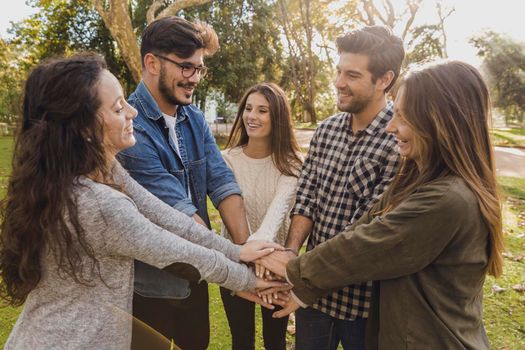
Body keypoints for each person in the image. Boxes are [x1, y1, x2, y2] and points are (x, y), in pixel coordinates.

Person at [0, 54, 285, 349]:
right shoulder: (98, 203)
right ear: (84, 127)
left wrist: (236, 252)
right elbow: (174, 250)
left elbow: (168, 218)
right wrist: (247, 281)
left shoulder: (92, 172)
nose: (132, 112)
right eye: (117, 107)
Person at [258, 61, 504, 350]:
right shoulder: (416, 178)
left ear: (438, 122)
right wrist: (298, 277)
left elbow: (365, 245)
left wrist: (291, 270)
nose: (391, 126)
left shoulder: (447, 199)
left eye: (403, 116)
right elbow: (368, 224)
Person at [116, 17, 254, 349]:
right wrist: (239, 267)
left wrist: (249, 252)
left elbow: (221, 182)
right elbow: (177, 211)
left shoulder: (193, 118)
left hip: (196, 276)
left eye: (199, 69)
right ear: (152, 63)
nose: (194, 79)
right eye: (186, 68)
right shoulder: (130, 128)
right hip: (150, 286)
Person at [278, 26, 404, 349]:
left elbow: (369, 234)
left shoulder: (398, 143)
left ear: (384, 79)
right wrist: (291, 255)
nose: (338, 83)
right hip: (311, 303)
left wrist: (304, 277)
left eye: (351, 75)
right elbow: (306, 200)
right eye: (338, 71)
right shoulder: (326, 130)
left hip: (362, 308)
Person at [219, 83, 303, 350]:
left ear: (277, 117)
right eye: (248, 108)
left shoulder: (293, 164)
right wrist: (247, 255)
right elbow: (231, 212)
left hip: (275, 270)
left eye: (262, 110)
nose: (251, 116)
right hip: (234, 265)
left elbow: (277, 214)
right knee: (241, 341)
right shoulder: (226, 161)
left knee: (275, 342)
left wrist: (264, 258)